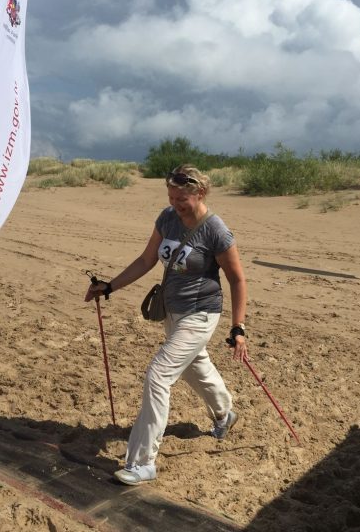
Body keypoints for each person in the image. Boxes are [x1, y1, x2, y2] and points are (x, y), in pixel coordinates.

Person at [85, 164, 248, 486]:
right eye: (171, 198)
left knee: (158, 374)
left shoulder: (216, 230)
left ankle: (142, 462)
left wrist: (238, 327)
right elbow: (146, 260)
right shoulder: (167, 218)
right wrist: (110, 286)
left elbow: (237, 279)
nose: (175, 204)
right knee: (194, 366)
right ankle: (224, 413)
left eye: (182, 199)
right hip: (172, 312)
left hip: (201, 313)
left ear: (200, 193)